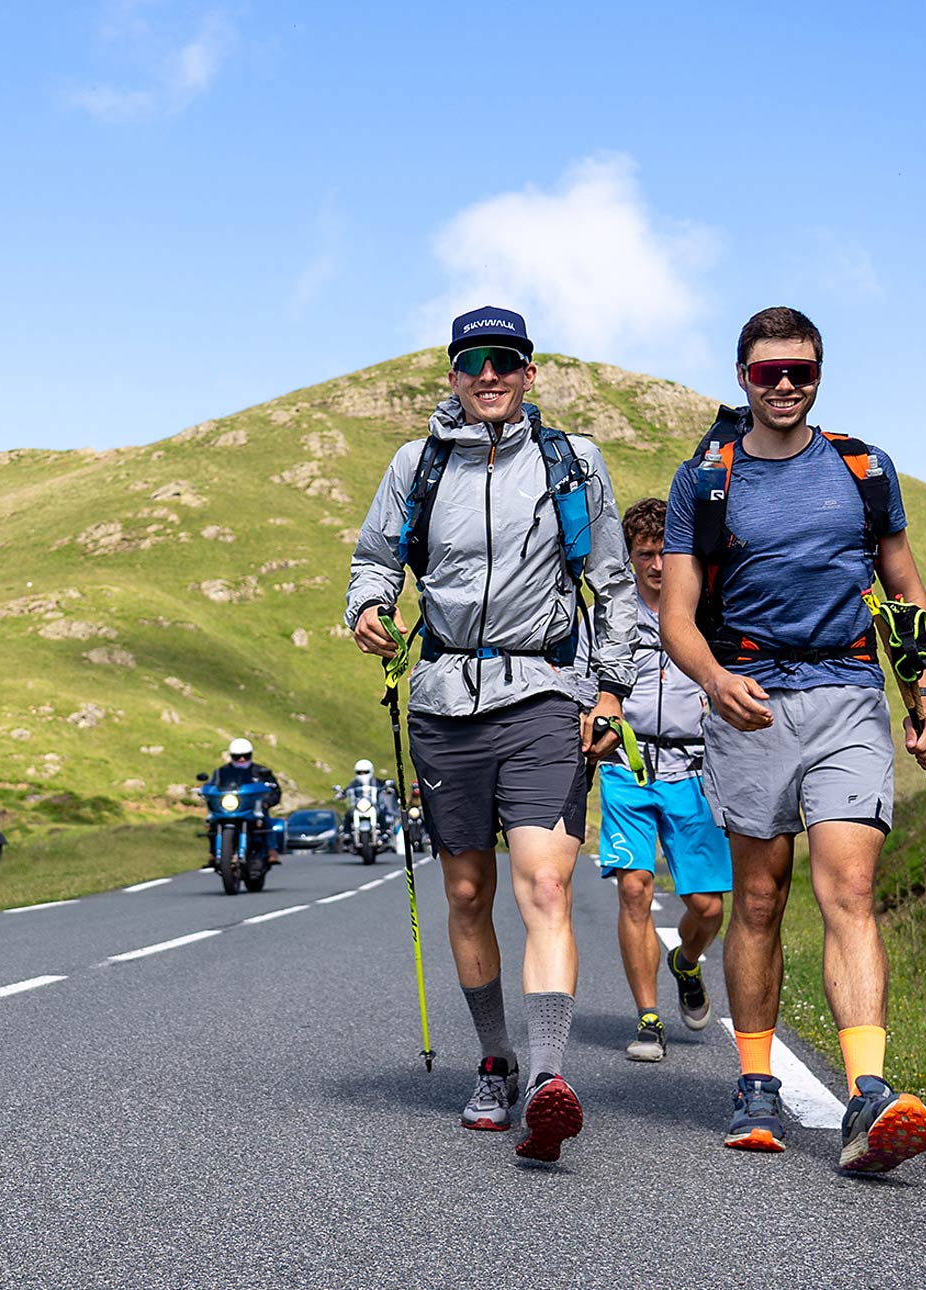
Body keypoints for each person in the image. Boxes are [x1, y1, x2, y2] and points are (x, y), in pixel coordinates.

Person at [347, 305, 641, 1164]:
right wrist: (368, 605)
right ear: (452, 374)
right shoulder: (416, 465)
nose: (489, 375)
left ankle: (547, 1078)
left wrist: (611, 691)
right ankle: (496, 1061)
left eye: (505, 361)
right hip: (443, 703)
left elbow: (614, 583)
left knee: (545, 885)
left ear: (528, 373)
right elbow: (375, 559)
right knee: (469, 895)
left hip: (546, 694)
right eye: (473, 361)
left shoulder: (571, 461)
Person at [659, 306, 926, 1175]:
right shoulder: (704, 482)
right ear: (742, 378)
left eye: (801, 371)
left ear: (819, 374)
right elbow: (677, 616)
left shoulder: (864, 468)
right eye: (768, 372)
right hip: (750, 701)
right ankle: (756, 1085)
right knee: (758, 899)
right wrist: (716, 683)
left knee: (849, 889)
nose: (785, 384)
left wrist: (924, 698)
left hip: (849, 694)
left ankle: (867, 1094)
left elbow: (905, 591)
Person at [594, 497, 730, 1063]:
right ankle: (648, 1018)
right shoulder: (610, 616)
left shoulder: (706, 610)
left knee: (708, 907)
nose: (655, 565)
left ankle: (686, 963)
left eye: (664, 553)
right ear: (629, 557)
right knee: (633, 889)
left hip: (693, 768)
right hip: (627, 768)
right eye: (644, 554)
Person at [205, 737, 282, 866]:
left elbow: (275, 789)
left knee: (264, 817)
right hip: (229, 807)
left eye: (245, 756)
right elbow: (212, 786)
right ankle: (214, 852)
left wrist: (267, 802)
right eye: (237, 757)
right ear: (231, 756)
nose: (242, 759)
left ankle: (271, 850)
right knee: (212, 822)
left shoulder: (261, 771)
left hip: (252, 807)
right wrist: (206, 791)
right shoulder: (221, 772)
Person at [335, 759, 399, 851]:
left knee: (381, 812)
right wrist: (341, 794)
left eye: (365, 772)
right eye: (360, 772)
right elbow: (346, 791)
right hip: (358, 806)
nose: (363, 775)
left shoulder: (377, 782)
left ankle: (385, 831)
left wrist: (388, 789)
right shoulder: (353, 783)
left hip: (373, 805)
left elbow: (385, 787)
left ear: (371, 771)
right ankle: (347, 833)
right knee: (348, 814)